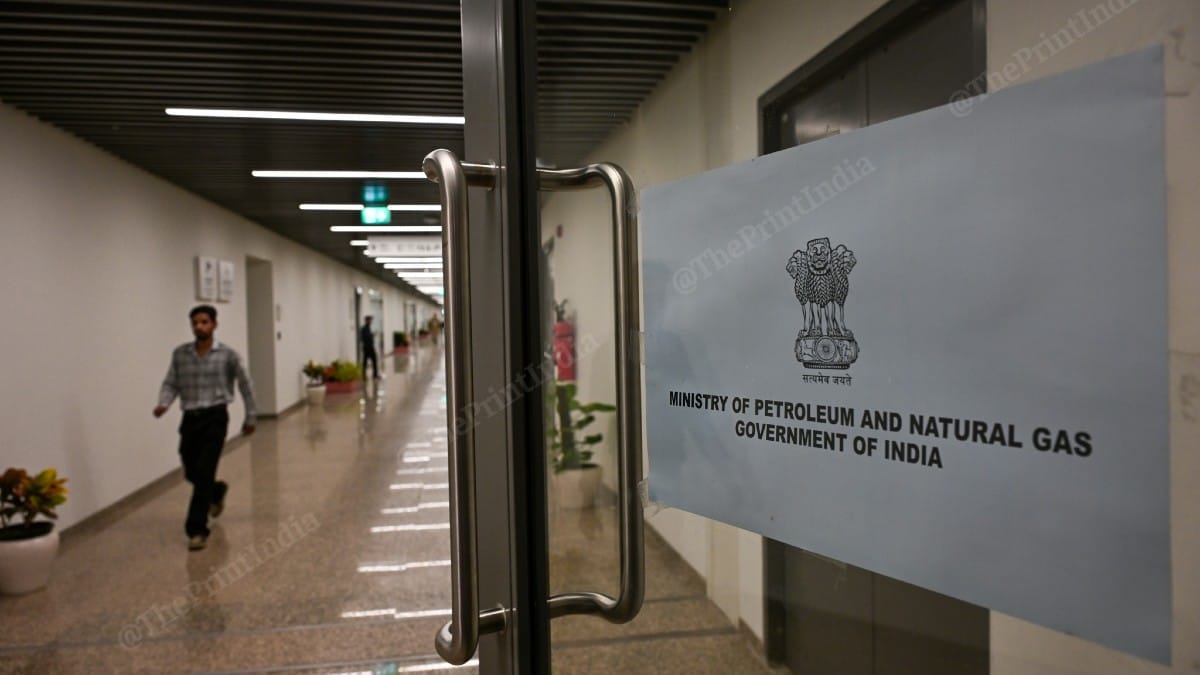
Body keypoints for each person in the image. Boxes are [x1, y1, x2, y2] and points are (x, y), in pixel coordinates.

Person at [153, 305, 256, 551]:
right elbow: (171, 382)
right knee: (190, 469)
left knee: (204, 471)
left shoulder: (228, 355)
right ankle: (217, 491)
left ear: (214, 325)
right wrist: (164, 403)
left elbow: (245, 385)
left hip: (215, 418)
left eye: (204, 322)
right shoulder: (180, 355)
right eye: (195, 323)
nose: (199, 326)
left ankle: (197, 530)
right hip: (190, 418)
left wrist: (251, 416)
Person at [360, 315, 379, 379]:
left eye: (371, 320)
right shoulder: (364, 328)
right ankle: (371, 375)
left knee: (369, 361)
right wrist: (372, 335)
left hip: (369, 347)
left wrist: (372, 335)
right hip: (368, 347)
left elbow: (368, 336)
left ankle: (371, 375)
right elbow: (364, 338)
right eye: (370, 320)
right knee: (372, 360)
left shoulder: (368, 328)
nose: (371, 321)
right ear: (366, 320)